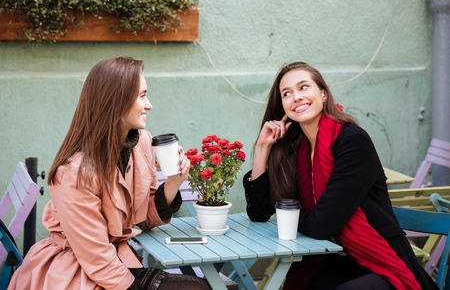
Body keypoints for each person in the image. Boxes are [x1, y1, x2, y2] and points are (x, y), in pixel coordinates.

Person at [8, 57, 210, 290]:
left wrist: (174, 182)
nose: (149, 105)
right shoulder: (74, 172)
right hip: (77, 271)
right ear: (116, 102)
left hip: (117, 260)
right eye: (142, 96)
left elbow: (143, 219)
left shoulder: (141, 143)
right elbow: (96, 258)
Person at [243, 61, 438, 290]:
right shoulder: (296, 150)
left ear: (323, 94)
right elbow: (258, 213)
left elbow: (322, 225)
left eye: (304, 87)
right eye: (287, 93)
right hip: (334, 261)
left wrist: (288, 217)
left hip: (381, 261)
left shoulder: (352, 141)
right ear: (283, 106)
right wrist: (262, 148)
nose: (296, 97)